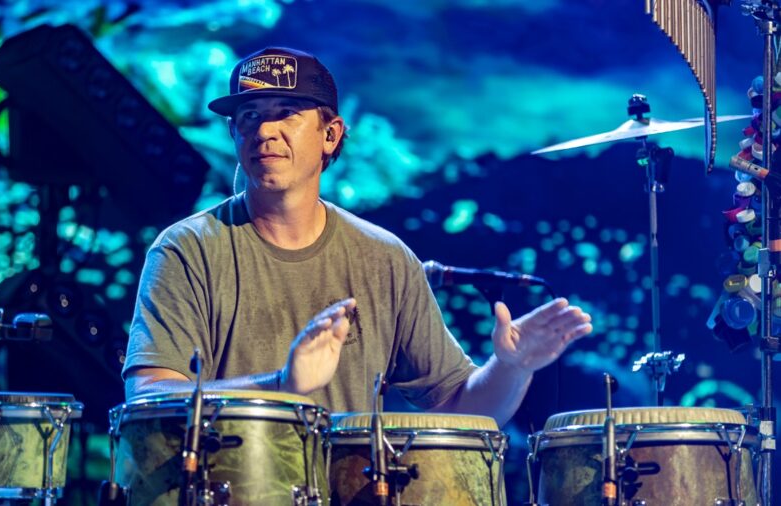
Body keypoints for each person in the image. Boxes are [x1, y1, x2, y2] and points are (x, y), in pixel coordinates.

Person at [122, 47, 592, 425]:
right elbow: (148, 394)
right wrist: (280, 386)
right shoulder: (186, 249)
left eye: (286, 112)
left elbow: (460, 409)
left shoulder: (384, 258)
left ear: (331, 134)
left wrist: (510, 368)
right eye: (249, 116)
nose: (264, 130)